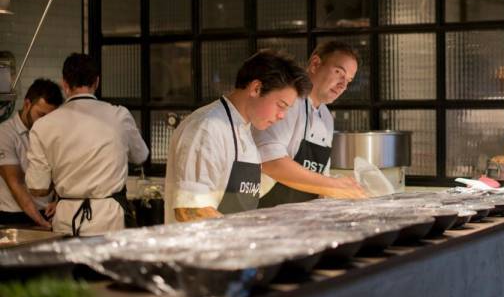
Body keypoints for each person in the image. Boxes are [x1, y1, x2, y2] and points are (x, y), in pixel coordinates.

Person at [164, 50, 313, 223]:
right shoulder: (207, 127)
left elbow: (244, 194)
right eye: (281, 105)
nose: (282, 116)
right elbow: (189, 210)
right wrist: (245, 232)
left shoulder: (245, 130)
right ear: (256, 89)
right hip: (199, 248)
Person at [25, 53, 148, 236]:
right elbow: (141, 156)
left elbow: (38, 188)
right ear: (96, 82)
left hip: (67, 220)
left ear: (65, 84)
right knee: (108, 265)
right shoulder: (119, 115)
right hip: (109, 219)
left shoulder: (43, 125)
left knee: (71, 266)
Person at [254, 41, 366, 207]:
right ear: (315, 64)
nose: (343, 85)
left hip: (302, 219)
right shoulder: (287, 104)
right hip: (266, 213)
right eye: (338, 72)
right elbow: (271, 162)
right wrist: (333, 186)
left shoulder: (327, 118)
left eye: (348, 81)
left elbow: (320, 179)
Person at [0, 79, 63, 227]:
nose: (45, 123)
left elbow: (60, 173)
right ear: (27, 104)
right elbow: (16, 183)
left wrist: (58, 201)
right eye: (41, 115)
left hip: (47, 214)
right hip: (14, 218)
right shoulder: (5, 134)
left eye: (50, 118)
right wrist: (41, 222)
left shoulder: (52, 134)